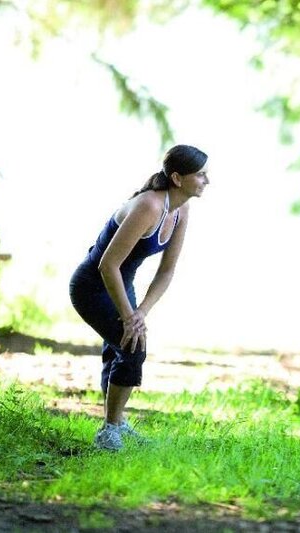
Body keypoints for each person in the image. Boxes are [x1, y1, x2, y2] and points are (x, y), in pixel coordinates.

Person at [69, 144, 209, 451]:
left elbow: (166, 271)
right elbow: (107, 264)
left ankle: (115, 423)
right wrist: (129, 317)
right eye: (200, 175)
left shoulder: (181, 210)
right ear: (177, 177)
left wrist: (141, 312)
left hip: (121, 282)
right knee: (132, 346)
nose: (206, 180)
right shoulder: (149, 206)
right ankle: (109, 430)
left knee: (121, 345)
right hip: (92, 286)